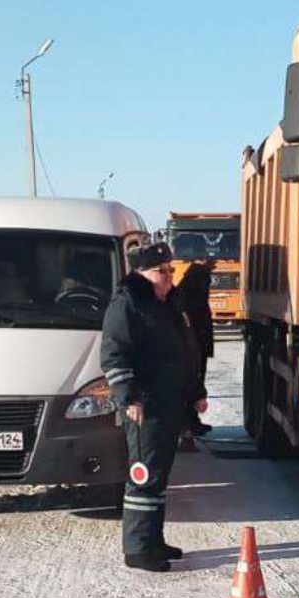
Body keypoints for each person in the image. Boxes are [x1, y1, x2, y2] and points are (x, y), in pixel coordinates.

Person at [100, 241, 207, 573]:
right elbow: (115, 354)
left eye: (171, 271)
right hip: (144, 405)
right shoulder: (129, 303)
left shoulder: (169, 304)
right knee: (143, 476)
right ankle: (138, 548)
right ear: (142, 273)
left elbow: (186, 354)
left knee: (159, 476)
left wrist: (195, 392)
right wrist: (128, 396)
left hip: (169, 402)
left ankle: (153, 539)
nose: (169, 277)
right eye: (162, 272)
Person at [172, 260, 214, 444]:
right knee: (190, 384)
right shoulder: (186, 296)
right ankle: (187, 425)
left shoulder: (193, 292)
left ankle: (193, 422)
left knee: (196, 383)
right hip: (191, 348)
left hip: (198, 347)